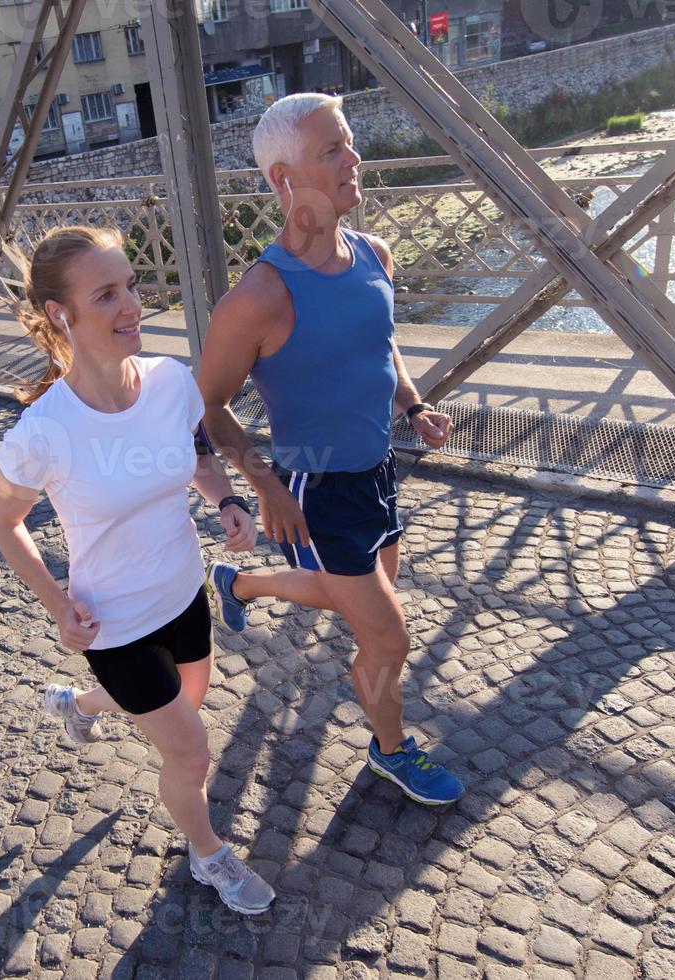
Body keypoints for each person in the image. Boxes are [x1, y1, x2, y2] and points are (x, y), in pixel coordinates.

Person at [0, 226, 274, 914]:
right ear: (62, 314)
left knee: (180, 708)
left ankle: (75, 706)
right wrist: (58, 604)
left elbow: (194, 458)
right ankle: (208, 857)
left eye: (132, 287)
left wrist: (227, 501)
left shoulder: (171, 382)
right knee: (191, 751)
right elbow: (3, 522)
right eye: (107, 294)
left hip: (183, 595)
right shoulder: (43, 432)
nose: (131, 306)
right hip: (113, 623)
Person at [196, 94, 465, 807]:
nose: (353, 161)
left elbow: (379, 342)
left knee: (357, 605)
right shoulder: (257, 298)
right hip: (315, 488)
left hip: (377, 472)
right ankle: (391, 749)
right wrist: (263, 484)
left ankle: (241, 584)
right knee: (387, 635)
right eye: (332, 152)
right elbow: (209, 404)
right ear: (284, 179)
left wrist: (412, 405)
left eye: (348, 145)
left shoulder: (373, 254)